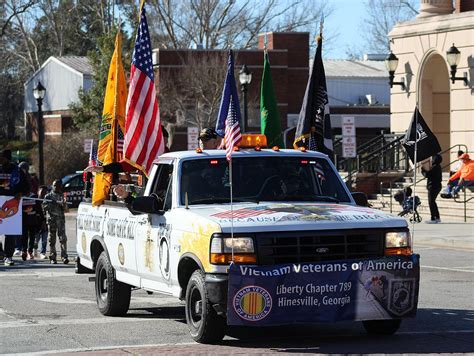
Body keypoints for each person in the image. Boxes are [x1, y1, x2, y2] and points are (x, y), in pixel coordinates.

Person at [0, 149, 30, 266]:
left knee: (9, 233)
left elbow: (27, 187)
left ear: (6, 158)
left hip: (11, 205)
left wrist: (21, 193)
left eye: (1, 157)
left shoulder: (17, 171)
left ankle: (8, 256)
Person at [43, 179, 69, 264]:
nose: (56, 187)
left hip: (60, 220)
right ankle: (52, 257)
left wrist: (63, 204)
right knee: (52, 239)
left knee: (63, 239)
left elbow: (66, 209)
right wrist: (51, 204)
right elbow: (44, 207)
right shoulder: (48, 196)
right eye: (54, 185)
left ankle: (64, 256)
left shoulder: (62, 196)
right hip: (52, 220)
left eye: (57, 186)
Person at [421, 154, 442, 223]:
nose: (432, 160)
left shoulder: (435, 167)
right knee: (432, 202)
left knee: (431, 202)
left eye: (433, 158)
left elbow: (427, 175)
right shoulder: (437, 166)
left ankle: (434, 217)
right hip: (436, 186)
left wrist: (423, 170)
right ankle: (437, 217)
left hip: (433, 186)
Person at [34, 185, 49, 259]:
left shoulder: (48, 201)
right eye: (42, 192)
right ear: (38, 192)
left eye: (45, 192)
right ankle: (34, 251)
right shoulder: (35, 201)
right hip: (37, 223)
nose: (43, 194)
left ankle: (42, 253)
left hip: (46, 223)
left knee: (44, 240)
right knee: (36, 240)